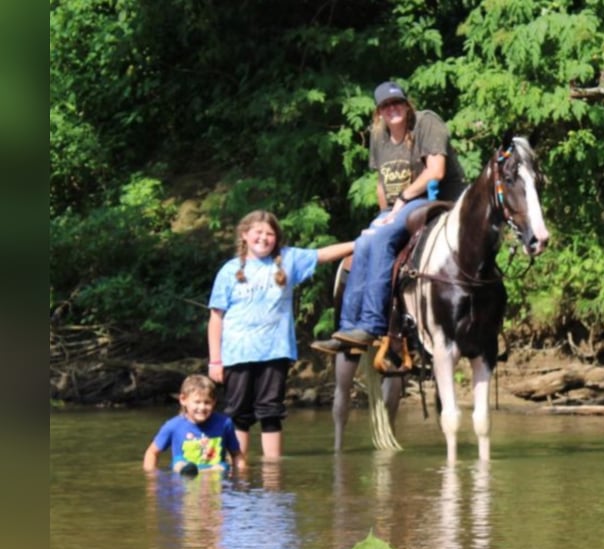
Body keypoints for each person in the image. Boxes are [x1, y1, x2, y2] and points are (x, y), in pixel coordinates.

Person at [312, 80, 466, 354]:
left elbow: (436, 171)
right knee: (365, 241)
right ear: (379, 112)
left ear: (407, 106)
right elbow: (381, 183)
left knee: (382, 237)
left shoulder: (426, 123)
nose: (392, 109)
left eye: (397, 103)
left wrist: (402, 201)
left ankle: (373, 323)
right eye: (386, 105)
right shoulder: (379, 135)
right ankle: (349, 330)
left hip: (433, 199)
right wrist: (383, 215)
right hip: (398, 207)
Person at [207, 209, 354, 460]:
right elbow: (216, 319)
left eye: (270, 234)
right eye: (258, 232)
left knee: (270, 411)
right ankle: (238, 470)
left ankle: (273, 473)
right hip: (236, 353)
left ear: (277, 238)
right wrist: (215, 360)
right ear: (244, 235)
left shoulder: (288, 259)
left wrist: (364, 241)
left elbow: (324, 254)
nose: (264, 238)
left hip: (275, 351)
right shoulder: (229, 270)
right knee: (238, 413)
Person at [143, 374, 246, 475]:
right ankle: (187, 470)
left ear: (214, 402)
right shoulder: (173, 426)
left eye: (207, 402)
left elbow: (236, 454)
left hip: (214, 473)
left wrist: (241, 477)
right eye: (197, 402)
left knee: (222, 467)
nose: (201, 407)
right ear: (183, 400)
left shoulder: (224, 424)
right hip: (184, 478)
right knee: (179, 463)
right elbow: (152, 452)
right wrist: (152, 476)